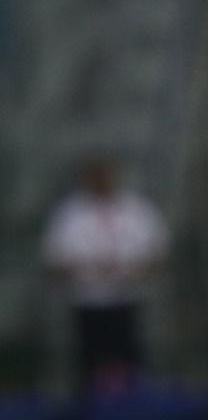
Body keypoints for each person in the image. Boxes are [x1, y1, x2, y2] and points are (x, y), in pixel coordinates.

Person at [41, 156, 169, 395]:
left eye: (106, 174)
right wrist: (91, 270)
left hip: (129, 301)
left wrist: (130, 270)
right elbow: (54, 263)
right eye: (96, 175)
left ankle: (131, 403)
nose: (102, 181)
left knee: (130, 364)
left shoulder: (138, 211)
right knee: (88, 367)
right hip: (87, 303)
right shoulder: (69, 215)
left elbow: (158, 256)